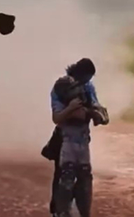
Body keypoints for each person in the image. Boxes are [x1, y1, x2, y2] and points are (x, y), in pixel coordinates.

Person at [45, 58, 108, 217]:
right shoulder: (61, 88)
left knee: (84, 180)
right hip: (65, 140)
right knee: (64, 178)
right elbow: (57, 118)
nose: (88, 81)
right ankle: (59, 212)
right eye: (87, 76)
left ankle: (80, 211)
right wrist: (73, 109)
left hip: (82, 140)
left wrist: (98, 114)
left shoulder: (88, 88)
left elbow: (95, 108)